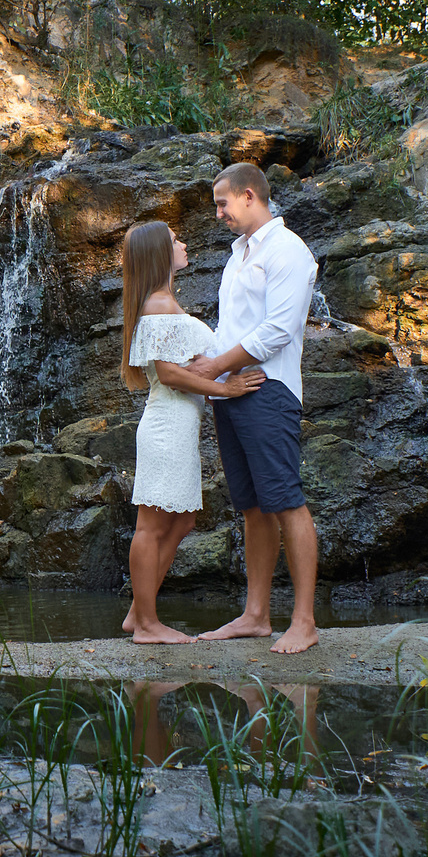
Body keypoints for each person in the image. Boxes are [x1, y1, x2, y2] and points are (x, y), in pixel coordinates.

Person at [184, 162, 323, 654]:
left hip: (269, 388)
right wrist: (208, 373)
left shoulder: (288, 249)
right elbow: (232, 329)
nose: (218, 213)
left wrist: (215, 367)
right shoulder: (237, 255)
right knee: (252, 507)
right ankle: (256, 615)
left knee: (285, 499)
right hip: (234, 390)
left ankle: (304, 621)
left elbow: (278, 330)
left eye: (222, 203)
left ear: (249, 195)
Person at [118, 220, 262, 644]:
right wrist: (225, 388)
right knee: (150, 525)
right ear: (159, 252)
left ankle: (137, 612)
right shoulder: (157, 304)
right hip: (166, 427)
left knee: (182, 521)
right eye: (175, 239)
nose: (183, 244)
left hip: (180, 427)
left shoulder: (165, 301)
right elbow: (168, 374)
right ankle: (147, 625)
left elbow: (185, 366)